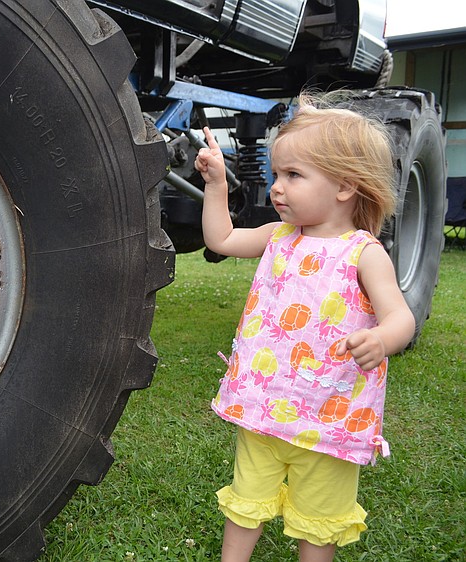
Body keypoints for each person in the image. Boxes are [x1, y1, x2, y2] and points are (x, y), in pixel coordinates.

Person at [195, 94, 416, 562]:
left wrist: (380, 338)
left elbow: (401, 317)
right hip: (264, 408)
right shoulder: (278, 237)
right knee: (244, 506)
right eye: (277, 174)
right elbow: (222, 238)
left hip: (330, 417)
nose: (277, 188)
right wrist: (216, 184)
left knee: (319, 524)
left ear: (345, 186)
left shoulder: (363, 253)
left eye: (293, 175)